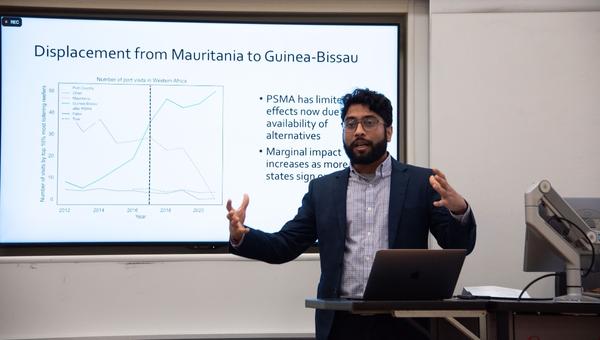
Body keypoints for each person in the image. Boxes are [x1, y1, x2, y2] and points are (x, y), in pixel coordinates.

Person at [226, 88, 476, 340]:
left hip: (403, 323)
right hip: (341, 322)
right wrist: (242, 236)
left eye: (368, 122)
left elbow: (459, 245)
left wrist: (459, 210)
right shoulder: (323, 190)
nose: (358, 131)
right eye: (350, 123)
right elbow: (284, 245)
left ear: (388, 132)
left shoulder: (421, 182)